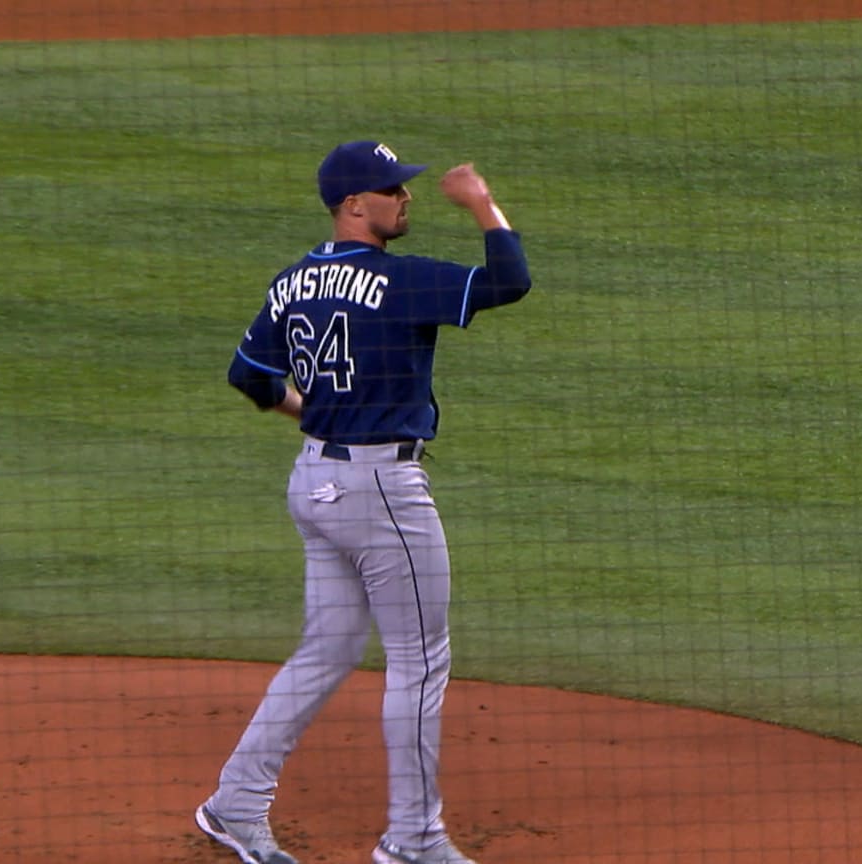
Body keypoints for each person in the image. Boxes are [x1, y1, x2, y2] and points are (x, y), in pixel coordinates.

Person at [195, 140, 532, 864]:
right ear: (355, 205)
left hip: (314, 482)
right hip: (381, 493)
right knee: (418, 659)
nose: (405, 198)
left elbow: (247, 376)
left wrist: (313, 414)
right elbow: (510, 281)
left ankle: (234, 804)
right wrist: (480, 203)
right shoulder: (401, 281)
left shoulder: (291, 283)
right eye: (391, 190)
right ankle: (412, 839)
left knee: (329, 649)